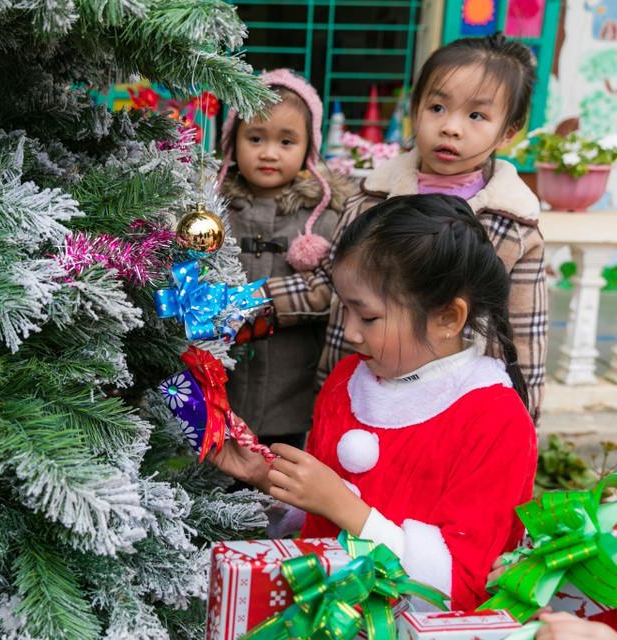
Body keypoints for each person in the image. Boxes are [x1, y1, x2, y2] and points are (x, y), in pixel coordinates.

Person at [209, 194, 539, 612]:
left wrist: (346, 509)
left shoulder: (493, 419)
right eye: (343, 309)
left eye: (367, 317)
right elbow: (320, 511)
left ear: (447, 318)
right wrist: (266, 475)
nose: (349, 332)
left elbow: (461, 587)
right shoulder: (348, 380)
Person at [269, 33, 547, 424]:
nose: (450, 127)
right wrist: (244, 304)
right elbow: (329, 286)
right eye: (437, 107)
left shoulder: (512, 227)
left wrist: (520, 427)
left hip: (447, 415)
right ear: (413, 109)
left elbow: (521, 336)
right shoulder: (372, 200)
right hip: (354, 393)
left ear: (508, 132)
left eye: (476, 115)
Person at [216, 69, 354, 448]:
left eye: (286, 141)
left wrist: (245, 305)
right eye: (255, 138)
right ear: (231, 143)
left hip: (291, 390)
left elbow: (333, 290)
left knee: (282, 478)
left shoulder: (325, 218)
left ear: (308, 149)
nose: (269, 152)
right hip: (221, 387)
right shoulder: (213, 212)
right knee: (219, 482)